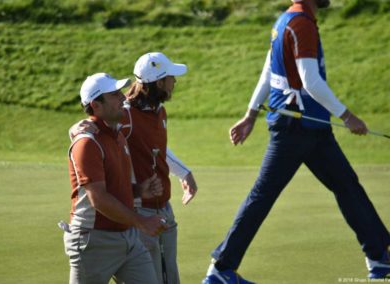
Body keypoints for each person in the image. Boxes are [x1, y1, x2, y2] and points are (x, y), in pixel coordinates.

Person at [202, 0, 390, 283]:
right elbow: (310, 80)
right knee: (262, 196)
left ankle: (379, 259)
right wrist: (348, 116)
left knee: (347, 185)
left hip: (311, 126)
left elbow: (269, 72)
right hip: (296, 127)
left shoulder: (287, 20)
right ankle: (220, 268)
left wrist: (250, 115)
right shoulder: (300, 24)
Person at [70, 52, 198, 284]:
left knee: (168, 277)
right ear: (158, 82)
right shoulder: (123, 115)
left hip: (153, 211)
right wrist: (77, 129)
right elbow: (88, 131)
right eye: (170, 77)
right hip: (132, 216)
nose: (174, 82)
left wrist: (182, 173)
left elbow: (155, 148)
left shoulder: (154, 113)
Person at [62, 72, 167, 284]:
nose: (123, 98)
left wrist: (139, 190)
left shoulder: (118, 136)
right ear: (96, 105)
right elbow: (98, 199)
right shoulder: (87, 143)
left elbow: (115, 186)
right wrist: (141, 222)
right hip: (93, 241)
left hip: (128, 238)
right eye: (114, 94)